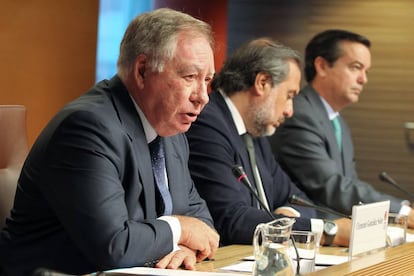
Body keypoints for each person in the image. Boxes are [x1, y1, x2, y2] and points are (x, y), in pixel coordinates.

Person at [0, 8, 219, 276]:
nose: (203, 97)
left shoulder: (171, 133)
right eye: (190, 77)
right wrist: (179, 230)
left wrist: (185, 248)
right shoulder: (87, 127)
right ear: (142, 71)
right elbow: (114, 245)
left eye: (207, 80)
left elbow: (202, 223)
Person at [186, 38, 351, 247]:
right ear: (262, 83)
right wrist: (327, 231)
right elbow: (231, 220)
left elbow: (298, 199)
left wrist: (286, 217)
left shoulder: (256, 133)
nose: (290, 111)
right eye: (289, 95)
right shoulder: (207, 124)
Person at [270, 29, 414, 226]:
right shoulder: (299, 114)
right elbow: (333, 187)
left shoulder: (337, 121)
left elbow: (349, 184)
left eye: (366, 71)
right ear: (321, 66)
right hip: (309, 235)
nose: (363, 79)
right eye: (355, 68)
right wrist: (402, 211)